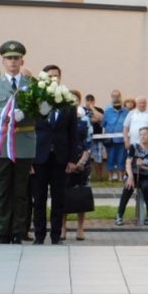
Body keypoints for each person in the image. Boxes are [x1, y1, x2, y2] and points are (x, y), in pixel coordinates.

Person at [0, 40, 36, 244]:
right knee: (2, 190)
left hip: (24, 142)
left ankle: (18, 231)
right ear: (3, 61)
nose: (13, 61)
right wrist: (6, 113)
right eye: (9, 58)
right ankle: (2, 230)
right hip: (1, 144)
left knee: (21, 191)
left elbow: (42, 112)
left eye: (16, 58)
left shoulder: (32, 85)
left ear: (22, 60)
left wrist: (29, 112)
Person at [31, 84, 79, 245]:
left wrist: (73, 159)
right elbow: (30, 131)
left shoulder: (68, 105)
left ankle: (56, 235)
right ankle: (39, 235)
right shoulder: (37, 103)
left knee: (59, 198)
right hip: (40, 158)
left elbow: (73, 134)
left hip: (60, 158)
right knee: (39, 198)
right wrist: (29, 159)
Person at [62, 90, 93, 241]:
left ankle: (80, 229)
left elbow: (89, 142)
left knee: (82, 196)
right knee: (63, 195)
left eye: (75, 99)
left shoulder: (84, 120)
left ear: (79, 101)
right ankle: (63, 228)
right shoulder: (62, 118)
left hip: (82, 162)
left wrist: (81, 162)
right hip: (65, 162)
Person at [116, 126, 148, 226]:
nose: (142, 137)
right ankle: (119, 215)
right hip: (134, 175)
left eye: (145, 134)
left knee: (146, 187)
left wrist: (143, 166)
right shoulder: (134, 147)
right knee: (128, 186)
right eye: (141, 134)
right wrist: (130, 177)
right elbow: (128, 163)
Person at [103, 90, 129, 180]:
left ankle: (120, 177)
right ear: (111, 97)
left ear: (120, 96)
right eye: (114, 96)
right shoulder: (107, 110)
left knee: (121, 158)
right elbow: (103, 124)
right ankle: (110, 177)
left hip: (122, 139)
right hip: (110, 139)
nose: (116, 98)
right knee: (110, 157)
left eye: (117, 96)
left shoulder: (126, 111)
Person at [84, 94, 106, 181]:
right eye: (88, 100)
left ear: (94, 101)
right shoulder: (82, 110)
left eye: (91, 100)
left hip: (98, 138)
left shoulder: (99, 109)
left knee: (98, 158)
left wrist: (93, 108)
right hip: (86, 139)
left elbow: (102, 118)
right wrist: (94, 119)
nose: (89, 102)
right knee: (85, 158)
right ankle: (86, 177)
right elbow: (87, 120)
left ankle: (99, 177)